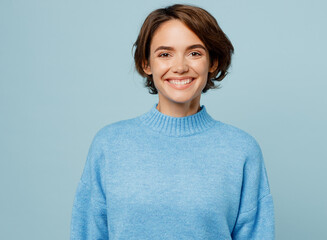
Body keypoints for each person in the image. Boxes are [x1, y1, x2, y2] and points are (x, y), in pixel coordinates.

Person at [70, 4, 274, 240]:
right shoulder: (109, 144)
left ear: (213, 62)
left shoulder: (241, 150)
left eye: (194, 53)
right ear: (147, 64)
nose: (179, 67)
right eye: (165, 54)